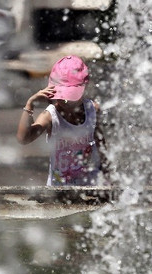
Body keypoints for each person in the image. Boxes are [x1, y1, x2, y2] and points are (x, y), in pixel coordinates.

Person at [16, 55, 108, 186]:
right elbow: (23, 138)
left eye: (70, 96)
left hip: (90, 182)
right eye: (61, 95)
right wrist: (30, 104)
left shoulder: (92, 110)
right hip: (59, 186)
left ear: (84, 88)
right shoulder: (50, 116)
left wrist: (107, 170)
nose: (65, 101)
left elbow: (100, 142)